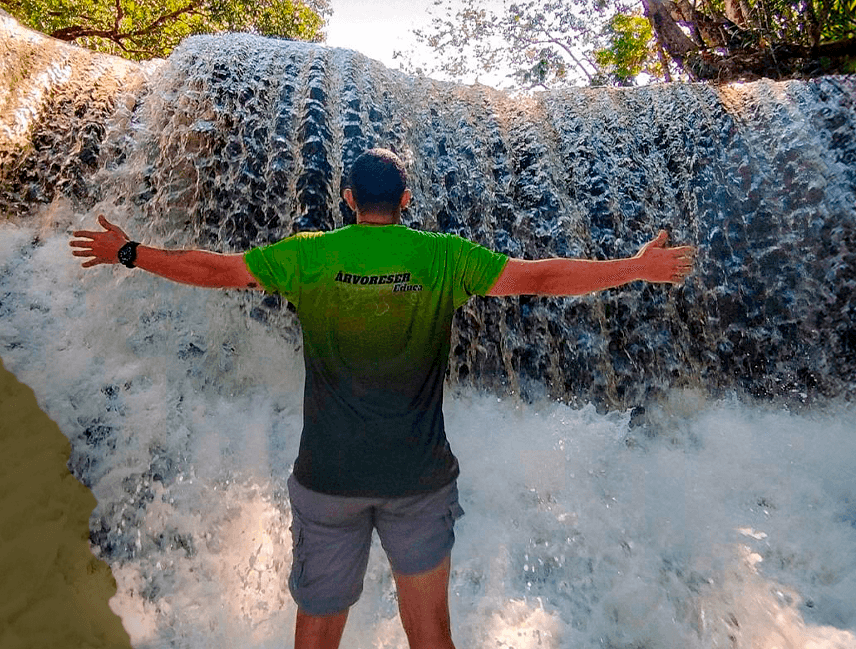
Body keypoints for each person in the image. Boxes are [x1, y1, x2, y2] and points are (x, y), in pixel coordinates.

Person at [68, 148, 694, 649]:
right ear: (405, 200)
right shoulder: (445, 257)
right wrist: (632, 268)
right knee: (431, 639)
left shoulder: (310, 254)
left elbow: (216, 270)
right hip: (418, 483)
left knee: (315, 636)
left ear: (348, 201)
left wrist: (129, 252)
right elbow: (540, 276)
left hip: (327, 482)